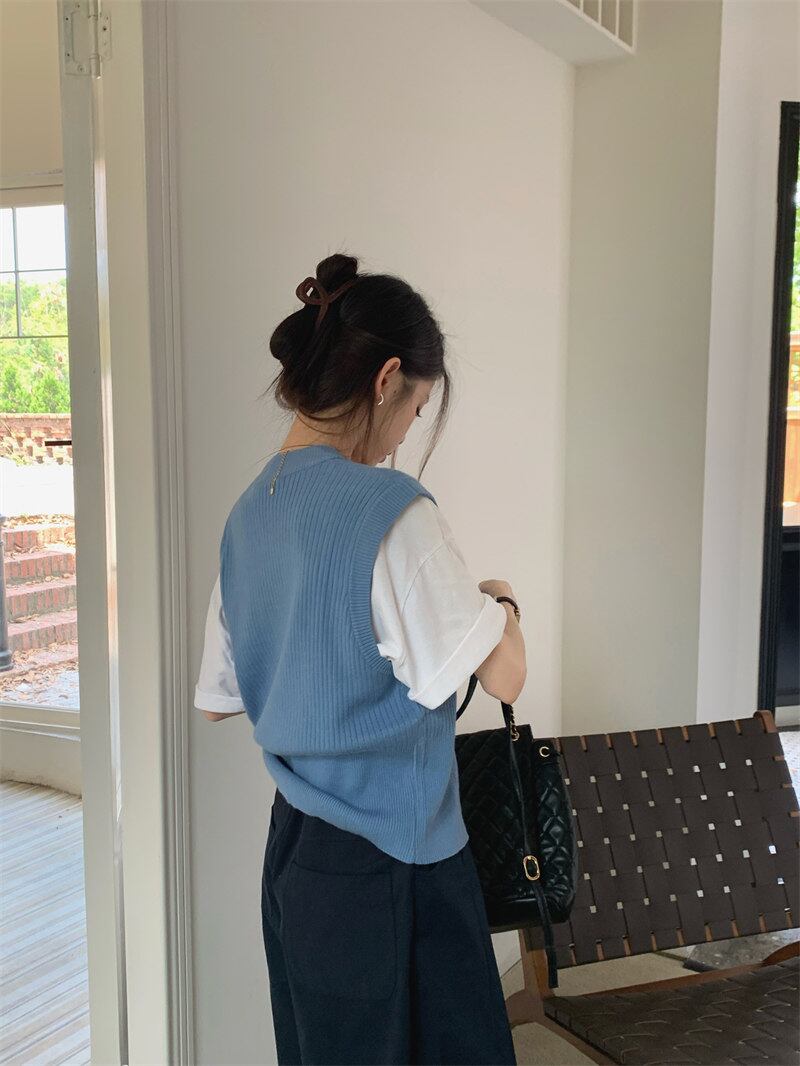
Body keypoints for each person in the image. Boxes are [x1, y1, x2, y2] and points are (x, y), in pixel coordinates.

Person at [193, 253, 526, 1066]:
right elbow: (506, 674)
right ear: (385, 380)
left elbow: (216, 699)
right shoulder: (391, 511)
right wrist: (502, 603)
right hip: (396, 862)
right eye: (415, 407)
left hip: (297, 858)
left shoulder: (248, 514)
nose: (408, 431)